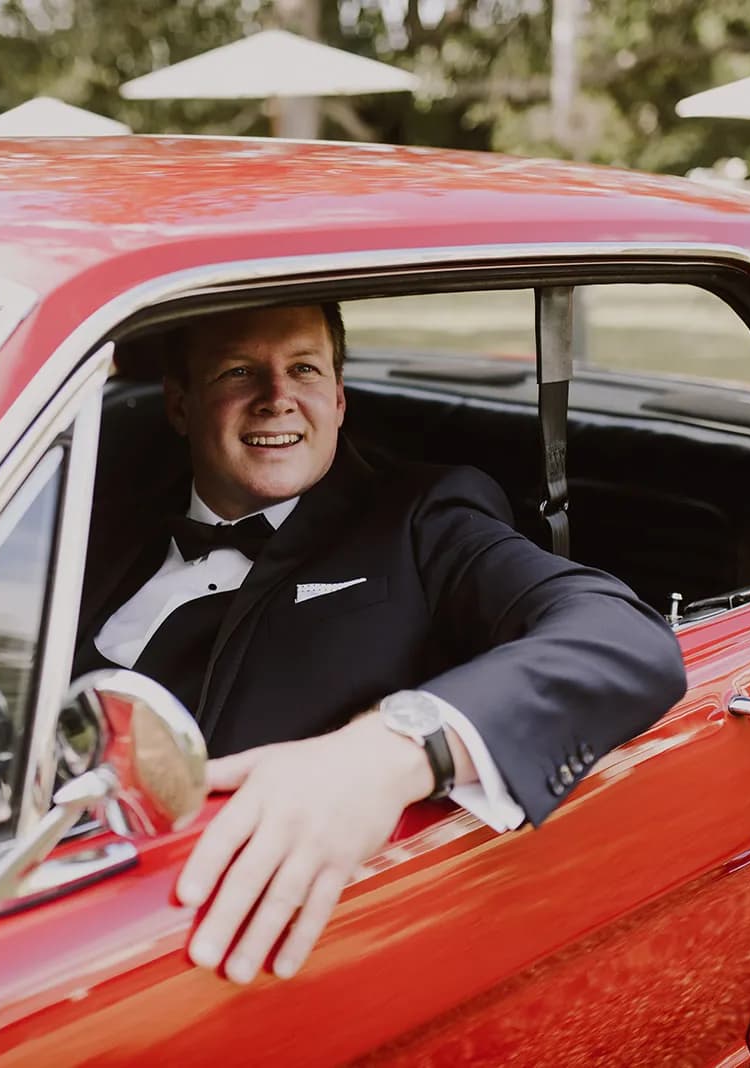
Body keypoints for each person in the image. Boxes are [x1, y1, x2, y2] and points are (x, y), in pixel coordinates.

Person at [75, 302, 686, 985]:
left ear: (338, 399)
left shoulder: (419, 519)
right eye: (240, 371)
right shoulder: (97, 513)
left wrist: (392, 748)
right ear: (181, 404)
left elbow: (621, 636)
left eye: (303, 368)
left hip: (225, 938)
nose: (278, 399)